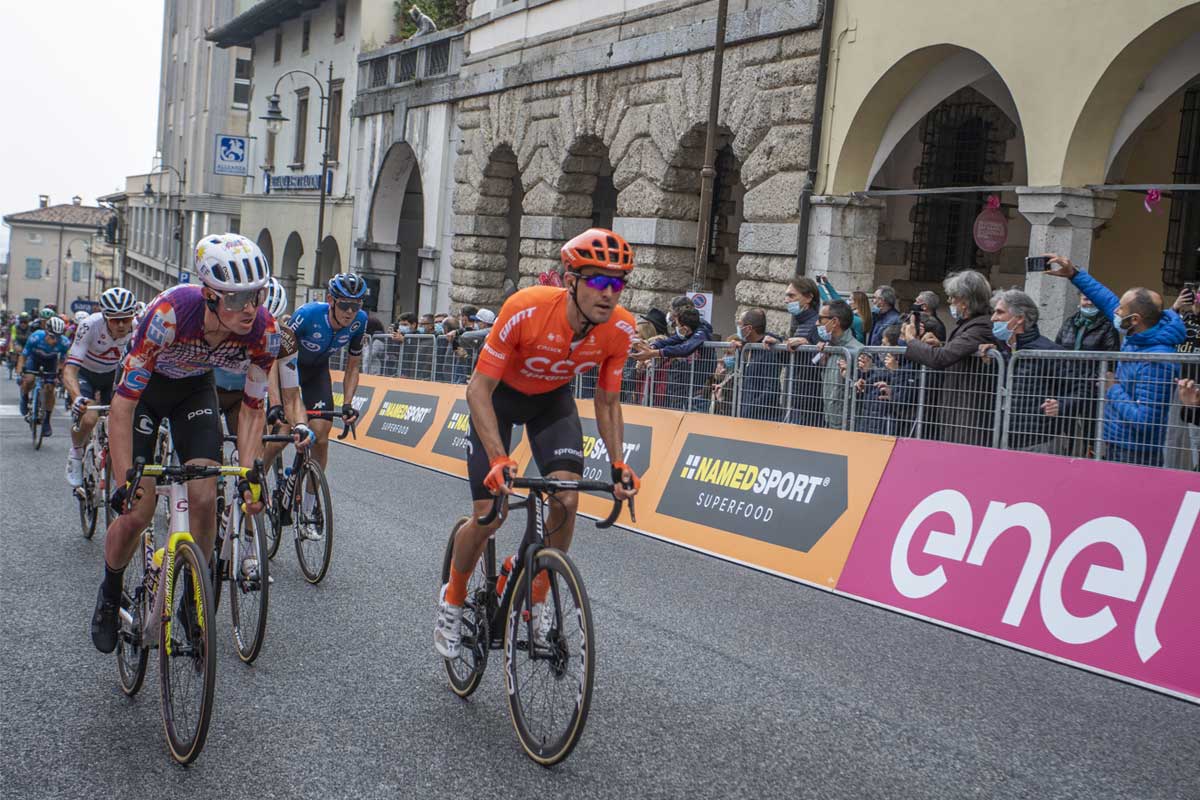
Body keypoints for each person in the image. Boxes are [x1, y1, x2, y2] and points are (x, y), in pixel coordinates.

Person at [434, 227, 640, 659]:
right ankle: (452, 599)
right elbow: (477, 390)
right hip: (499, 399)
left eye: (617, 283)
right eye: (598, 280)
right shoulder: (525, 308)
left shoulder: (621, 328)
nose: (608, 293)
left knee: (566, 499)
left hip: (552, 403)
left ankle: (537, 595)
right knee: (491, 515)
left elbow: (607, 401)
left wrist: (619, 463)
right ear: (571, 280)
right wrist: (498, 458)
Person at [90, 233, 279, 654]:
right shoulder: (170, 314)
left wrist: (250, 473)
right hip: (145, 393)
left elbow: (253, 409)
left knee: (205, 498)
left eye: (257, 295)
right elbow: (122, 406)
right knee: (138, 511)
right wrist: (123, 480)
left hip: (194, 391)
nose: (249, 308)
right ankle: (110, 592)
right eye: (236, 299)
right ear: (209, 296)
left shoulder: (264, 331)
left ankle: (194, 598)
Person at [1042, 255, 1187, 466]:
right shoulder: (1138, 332)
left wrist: (1112, 389)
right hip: (1116, 441)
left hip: (1136, 452)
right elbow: (1107, 299)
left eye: (1121, 308)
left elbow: (1145, 421)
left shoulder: (1158, 359)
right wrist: (1074, 274)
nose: (1115, 312)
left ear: (1135, 319)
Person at [281, 273, 369, 478]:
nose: (350, 311)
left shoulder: (360, 321)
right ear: (331, 300)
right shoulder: (307, 315)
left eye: (356, 306)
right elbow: (280, 356)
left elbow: (353, 366)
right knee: (281, 435)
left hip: (316, 372)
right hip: (289, 370)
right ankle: (255, 490)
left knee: (321, 438)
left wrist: (347, 404)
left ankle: (310, 498)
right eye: (344, 305)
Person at [900, 270, 1000, 447]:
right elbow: (954, 352)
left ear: (965, 301)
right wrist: (940, 345)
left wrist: (911, 340)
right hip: (958, 409)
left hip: (969, 414)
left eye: (953, 298)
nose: (950, 302)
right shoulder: (969, 325)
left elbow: (942, 358)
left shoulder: (980, 327)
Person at [63, 287, 138, 486]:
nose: (121, 325)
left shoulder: (138, 328)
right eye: (114, 320)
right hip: (86, 374)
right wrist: (76, 397)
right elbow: (70, 369)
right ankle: (76, 453)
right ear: (105, 317)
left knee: (119, 427)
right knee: (89, 418)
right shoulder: (90, 325)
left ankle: (111, 485)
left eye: (126, 319)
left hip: (113, 377)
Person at [987, 289, 1067, 453]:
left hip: (1039, 441)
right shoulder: (1000, 350)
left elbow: (1079, 389)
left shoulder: (1049, 351)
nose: (993, 318)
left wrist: (1061, 404)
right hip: (1003, 440)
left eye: (999, 312)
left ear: (1019, 318)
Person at [780, 276, 822, 426]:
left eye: (791, 296)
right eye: (786, 296)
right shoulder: (800, 324)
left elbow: (822, 358)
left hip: (810, 403)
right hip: (796, 399)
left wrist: (808, 345)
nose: (786, 300)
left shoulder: (818, 324)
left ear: (809, 297)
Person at [18, 315, 69, 435]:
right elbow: (23, 356)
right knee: (29, 380)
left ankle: (46, 421)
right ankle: (24, 398)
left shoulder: (64, 342)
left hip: (51, 361)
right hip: (34, 359)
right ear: (46, 332)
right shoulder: (35, 337)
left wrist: (59, 373)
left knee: (50, 389)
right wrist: (20, 371)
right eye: (52, 336)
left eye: (58, 336)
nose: (55, 340)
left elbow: (62, 361)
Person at [734, 308, 786, 421]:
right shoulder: (747, 348)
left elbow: (772, 389)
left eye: (740, 324)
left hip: (763, 418)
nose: (738, 327)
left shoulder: (767, 350)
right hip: (747, 415)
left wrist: (749, 410)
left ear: (749, 328)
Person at [818, 299, 863, 429]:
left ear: (834, 322)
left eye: (821, 319)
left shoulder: (858, 351)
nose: (817, 323)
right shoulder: (829, 347)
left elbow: (865, 387)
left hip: (849, 425)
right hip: (829, 420)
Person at [1055, 293, 1120, 352]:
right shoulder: (1069, 322)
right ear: (1080, 301)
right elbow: (1057, 349)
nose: (1090, 302)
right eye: (1085, 299)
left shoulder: (1108, 326)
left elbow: (1111, 356)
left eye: (1094, 299)